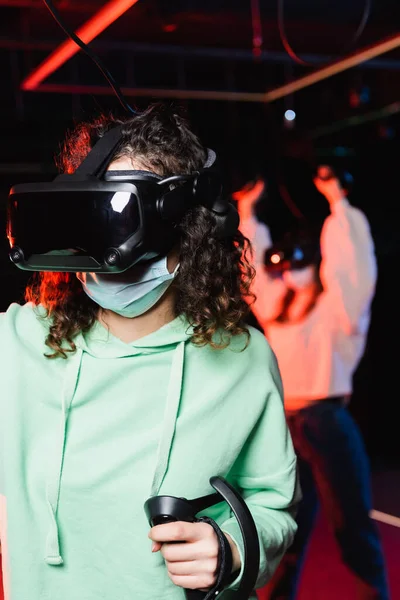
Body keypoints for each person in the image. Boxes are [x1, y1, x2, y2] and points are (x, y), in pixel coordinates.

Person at [0, 103, 299, 600]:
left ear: (192, 231)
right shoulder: (18, 343)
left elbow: (273, 506)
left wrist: (233, 550)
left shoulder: (243, 359)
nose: (116, 257)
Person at [235, 167, 390, 600]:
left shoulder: (337, 311)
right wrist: (248, 210)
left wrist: (337, 203)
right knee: (288, 529)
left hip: (323, 420)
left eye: (296, 267)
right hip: (285, 423)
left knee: (352, 523)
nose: (287, 276)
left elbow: (353, 268)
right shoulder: (277, 309)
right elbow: (254, 273)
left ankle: (370, 593)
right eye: (283, 269)